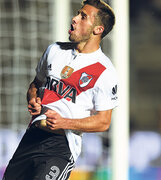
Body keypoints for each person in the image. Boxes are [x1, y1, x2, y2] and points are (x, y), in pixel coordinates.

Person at [3, 0, 118, 179]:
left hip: (60, 146)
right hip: (32, 137)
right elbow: (36, 84)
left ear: (98, 29)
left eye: (83, 17)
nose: (74, 18)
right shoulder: (54, 50)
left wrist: (65, 122)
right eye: (78, 13)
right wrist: (33, 99)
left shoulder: (104, 70)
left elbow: (103, 122)